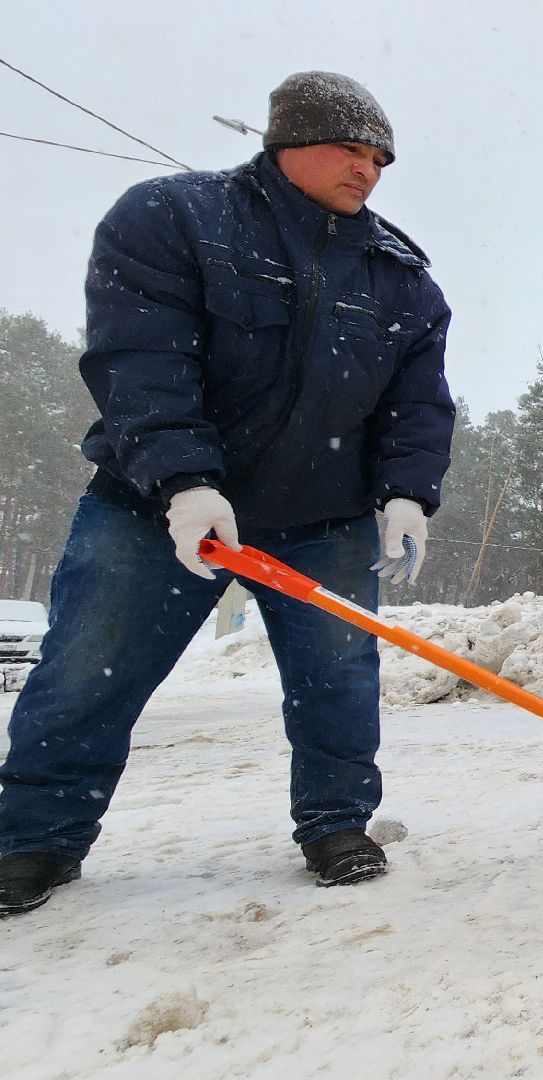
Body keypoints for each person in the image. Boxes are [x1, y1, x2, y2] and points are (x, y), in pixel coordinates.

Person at [0, 72, 455, 916]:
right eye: (350, 149)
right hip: (156, 513)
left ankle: (334, 823)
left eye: (380, 158)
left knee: (337, 680)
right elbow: (141, 359)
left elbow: (418, 403)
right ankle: (34, 839)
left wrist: (407, 494)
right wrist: (184, 480)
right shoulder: (175, 218)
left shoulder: (401, 279)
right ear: (289, 142)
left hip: (320, 519)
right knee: (86, 675)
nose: (369, 171)